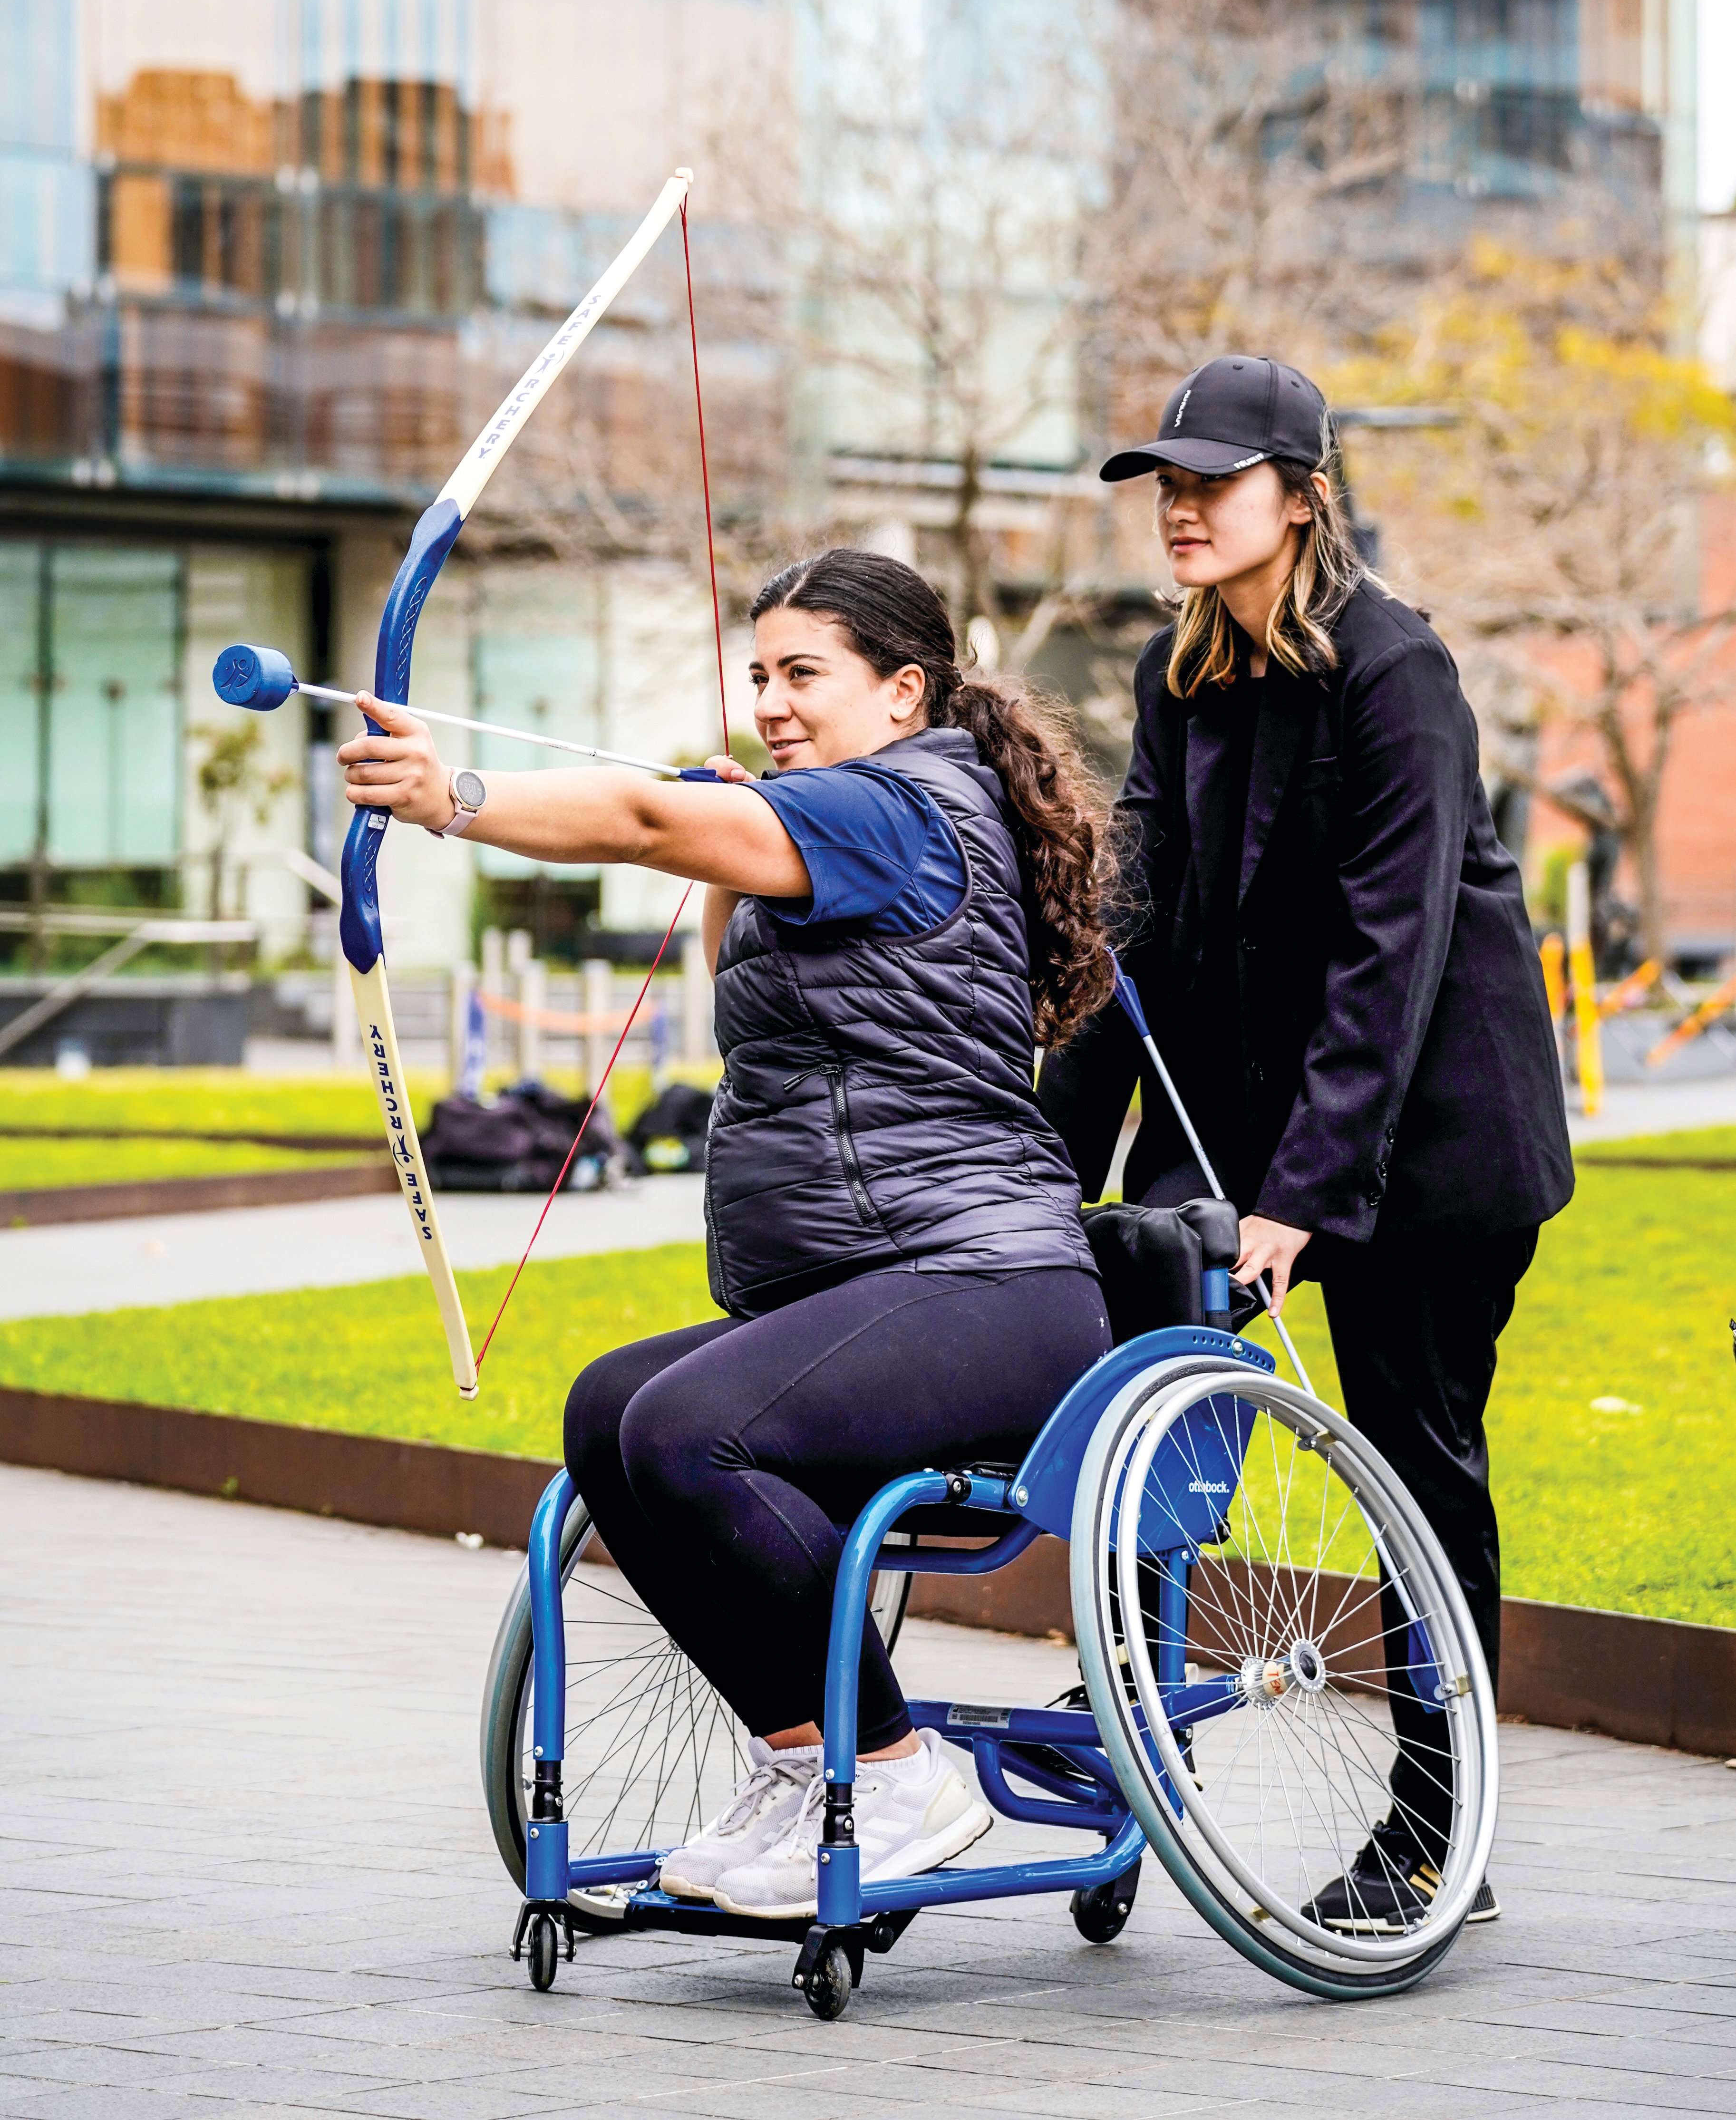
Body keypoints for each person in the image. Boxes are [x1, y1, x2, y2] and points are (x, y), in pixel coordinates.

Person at [339, 547, 1115, 1918]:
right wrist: (730, 845)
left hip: (988, 1286)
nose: (771, 701)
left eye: (803, 674)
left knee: (689, 1433)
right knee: (610, 1409)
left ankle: (897, 1769)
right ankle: (804, 1754)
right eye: (758, 675)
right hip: (886, 1289)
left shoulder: (906, 804)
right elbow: (756, 968)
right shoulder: (851, 820)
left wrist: (457, 796)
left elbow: (639, 819)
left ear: (903, 692)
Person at [1037, 354, 1573, 1937]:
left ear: (1302, 495)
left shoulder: (1393, 670)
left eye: (1212, 481)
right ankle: (1131, 1787)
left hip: (1430, 1138)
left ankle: (1433, 1830)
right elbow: (1135, 932)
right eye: (1164, 483)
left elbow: (1389, 952)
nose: (1180, 507)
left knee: (1416, 1466)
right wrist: (1047, 1150)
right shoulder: (1174, 674)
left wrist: (1304, 1200)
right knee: (1141, 1408)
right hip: (1253, 1117)